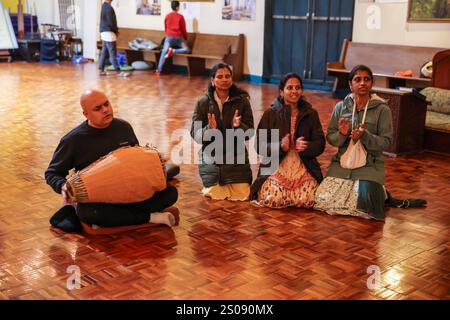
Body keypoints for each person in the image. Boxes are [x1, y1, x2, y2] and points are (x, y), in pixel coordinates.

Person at [45, 89, 179, 232]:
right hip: (100, 198)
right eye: (98, 108)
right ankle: (151, 217)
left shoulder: (123, 127)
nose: (105, 110)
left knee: (170, 193)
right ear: (86, 114)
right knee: (88, 212)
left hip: (130, 192)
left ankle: (116, 219)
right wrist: (63, 186)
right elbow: (52, 173)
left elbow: (135, 160)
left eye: (106, 104)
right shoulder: (73, 140)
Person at [314, 65, 393, 220]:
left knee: (367, 204)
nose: (362, 83)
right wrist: (342, 134)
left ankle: (379, 192)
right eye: (357, 80)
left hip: (370, 165)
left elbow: (386, 142)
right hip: (342, 164)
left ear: (371, 83)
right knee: (322, 199)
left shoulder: (382, 109)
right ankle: (379, 192)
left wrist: (365, 136)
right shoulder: (341, 107)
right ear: (350, 84)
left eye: (366, 79)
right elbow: (331, 138)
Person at [250, 73, 325, 208]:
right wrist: (280, 146)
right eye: (290, 88)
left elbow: (320, 144)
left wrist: (306, 146)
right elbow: (259, 145)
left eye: (297, 88)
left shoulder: (310, 114)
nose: (294, 91)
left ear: (301, 91)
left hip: (303, 164)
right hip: (276, 164)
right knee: (273, 199)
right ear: (281, 92)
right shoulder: (271, 113)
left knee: (308, 200)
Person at [190, 63, 254, 201]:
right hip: (212, 158)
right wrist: (209, 129)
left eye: (227, 76)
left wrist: (239, 125)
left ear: (231, 79)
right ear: (212, 81)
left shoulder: (242, 102)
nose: (224, 80)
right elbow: (196, 135)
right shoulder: (202, 103)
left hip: (236, 157)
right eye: (220, 77)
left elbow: (250, 133)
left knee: (242, 193)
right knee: (215, 193)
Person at [156, 1, 190, 76]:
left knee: (164, 51)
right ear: (177, 7)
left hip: (169, 37)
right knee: (187, 50)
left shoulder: (167, 16)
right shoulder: (180, 17)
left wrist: (168, 35)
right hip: (178, 38)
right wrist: (185, 38)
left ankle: (158, 70)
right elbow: (183, 29)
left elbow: (165, 27)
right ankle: (173, 51)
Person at [98, 0, 124, 76]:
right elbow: (111, 22)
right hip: (109, 33)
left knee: (104, 52)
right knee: (113, 53)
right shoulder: (109, 7)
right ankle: (118, 71)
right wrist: (116, 31)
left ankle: (101, 70)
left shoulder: (103, 6)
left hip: (103, 32)